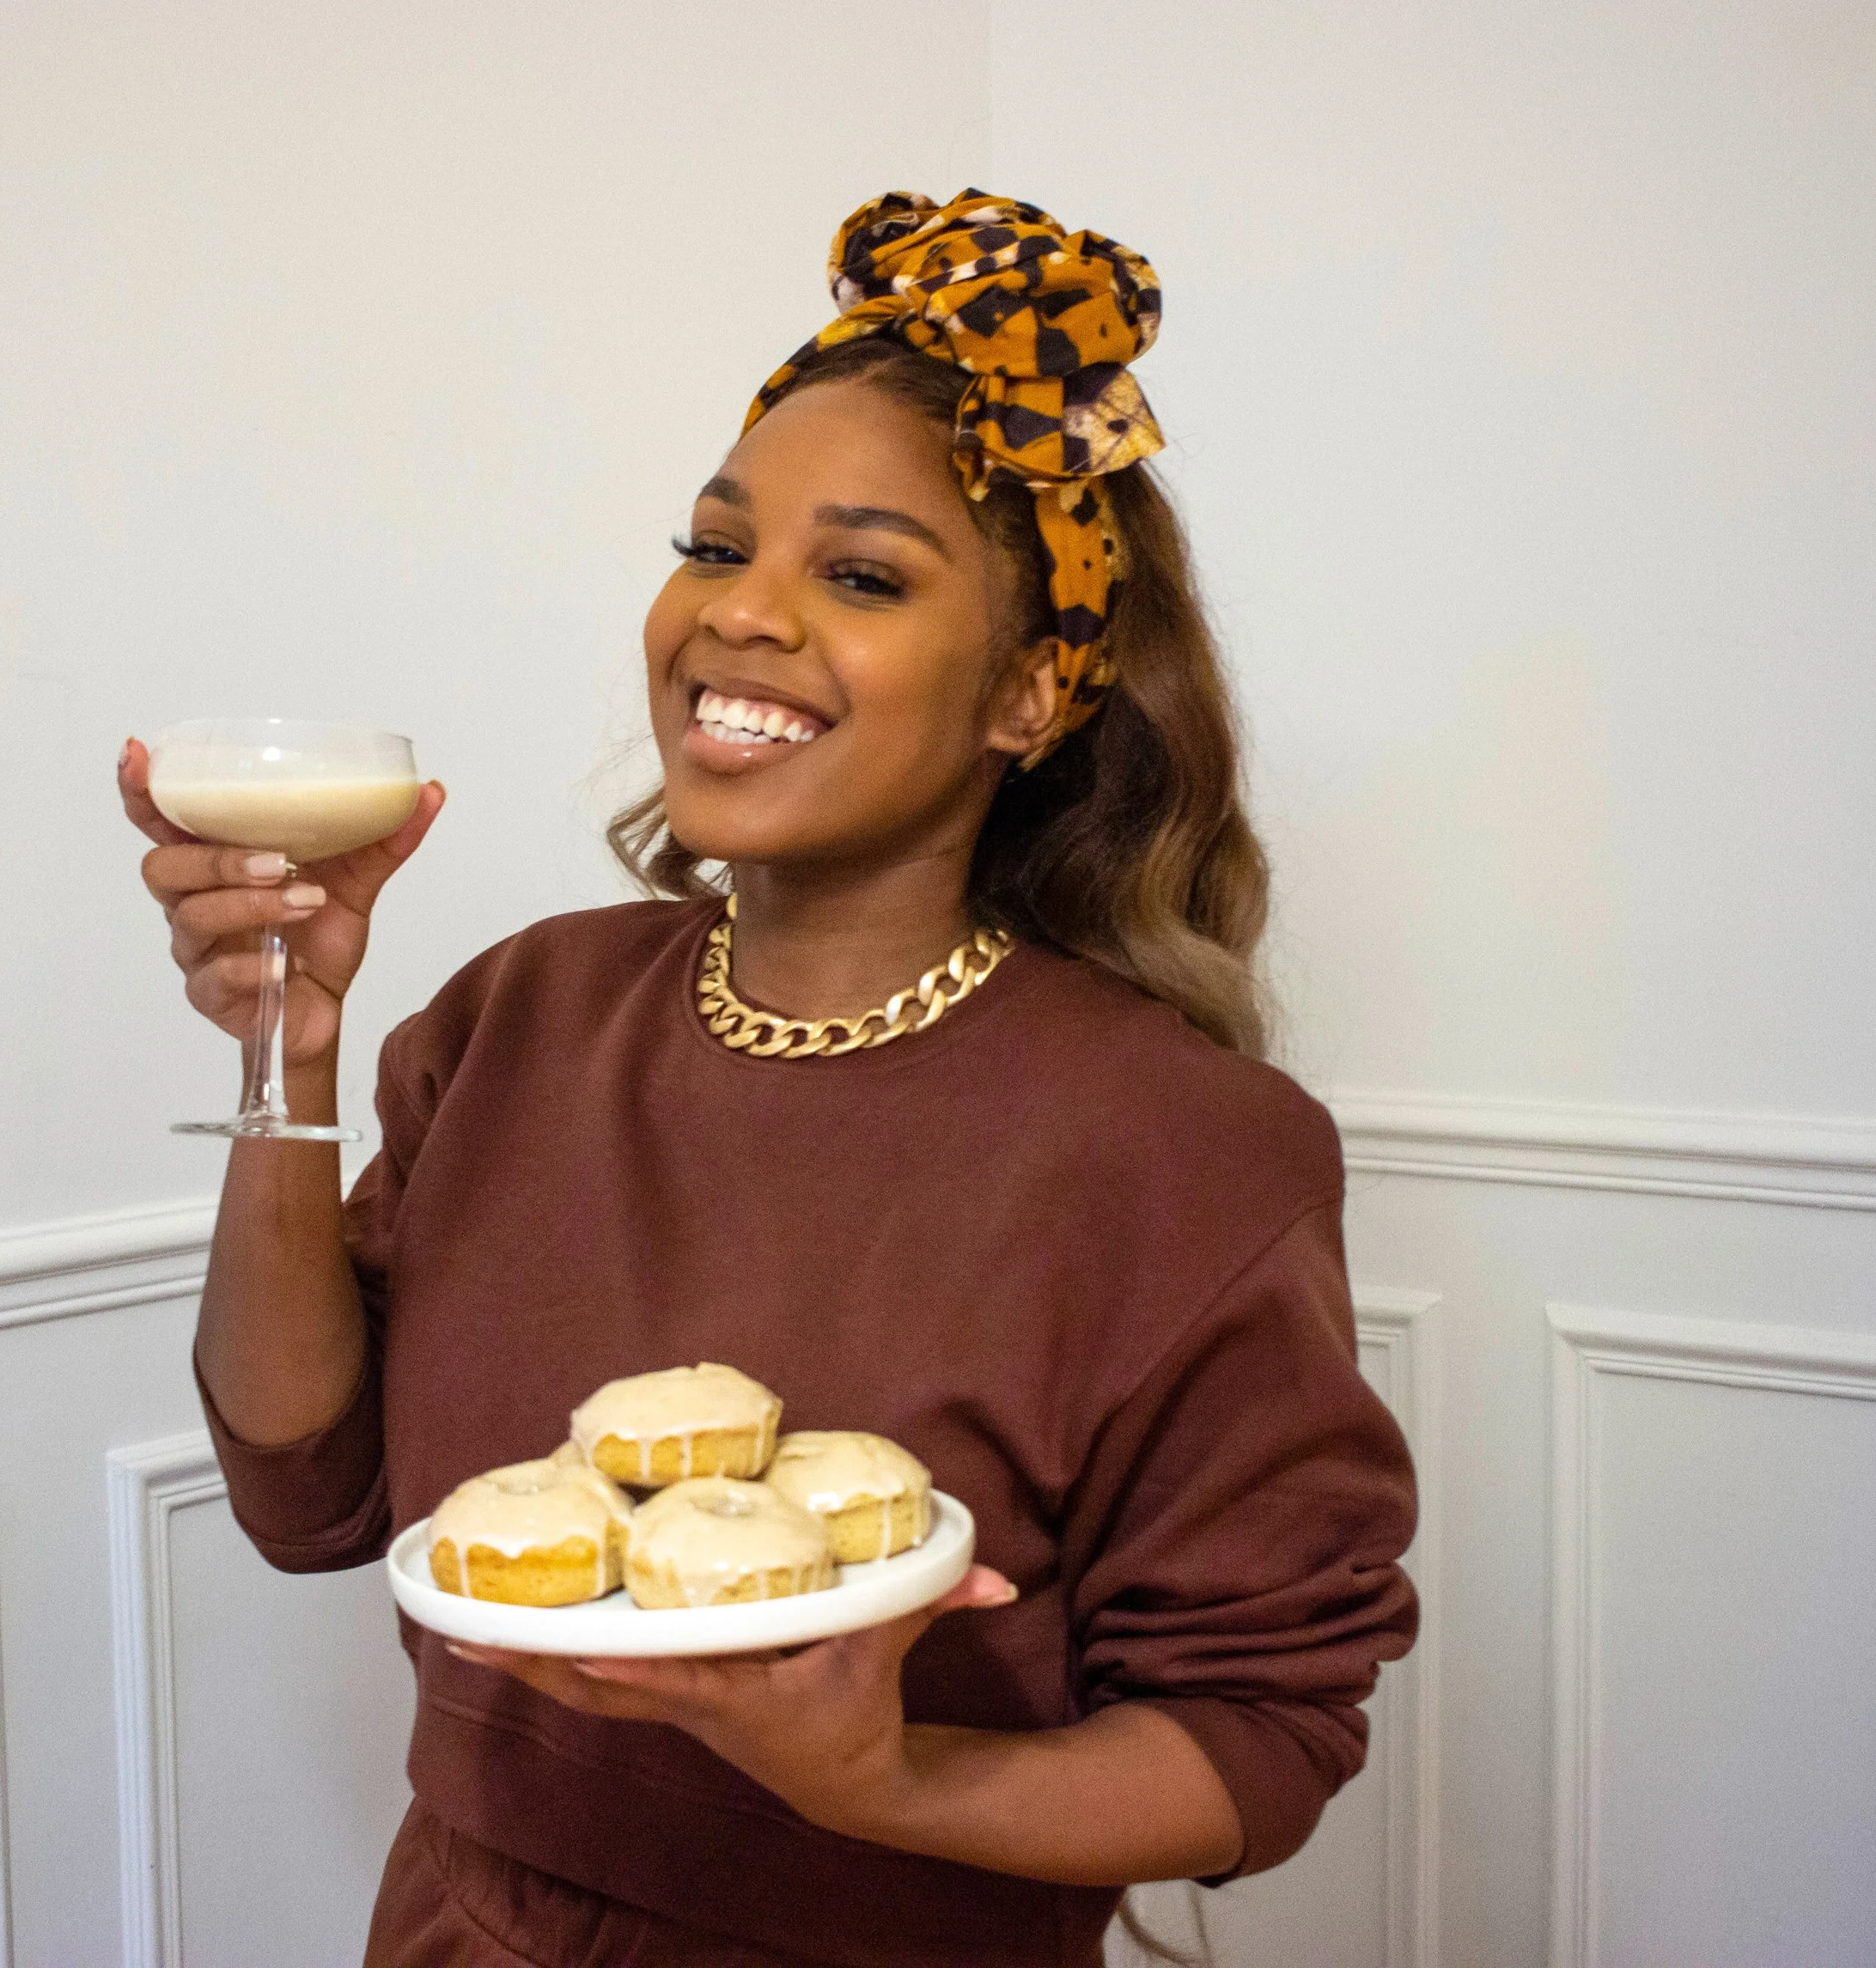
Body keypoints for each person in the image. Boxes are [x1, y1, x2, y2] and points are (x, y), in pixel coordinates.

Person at [119, 189, 1417, 1968]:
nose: (742, 618)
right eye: (713, 545)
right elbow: (304, 1492)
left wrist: (876, 1782)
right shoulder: (523, 1012)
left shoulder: (1183, 1148)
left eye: (862, 575)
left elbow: (1261, 1741)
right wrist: (294, 1041)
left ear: (1029, 694)